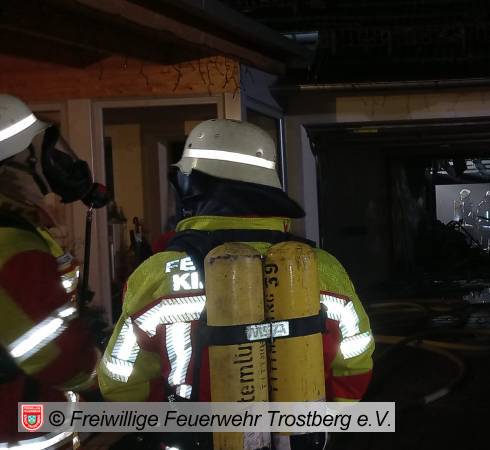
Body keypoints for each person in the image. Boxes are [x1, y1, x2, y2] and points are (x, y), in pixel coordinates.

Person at [97, 119, 374, 444]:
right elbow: (356, 362)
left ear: (191, 188)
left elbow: (119, 381)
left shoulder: (158, 273)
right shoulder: (321, 267)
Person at [0, 94, 103, 447]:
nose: (53, 164)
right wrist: (100, 373)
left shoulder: (17, 229)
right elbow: (53, 355)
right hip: (20, 430)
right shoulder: (12, 243)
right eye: (35, 152)